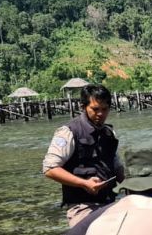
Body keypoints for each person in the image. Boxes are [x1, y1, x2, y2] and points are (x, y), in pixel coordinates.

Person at [42, 84, 125, 226]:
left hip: (109, 204)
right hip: (82, 208)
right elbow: (49, 169)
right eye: (95, 109)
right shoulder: (68, 132)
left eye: (105, 109)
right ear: (83, 107)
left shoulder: (108, 133)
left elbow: (118, 169)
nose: (100, 114)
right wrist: (84, 183)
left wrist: (136, 191)